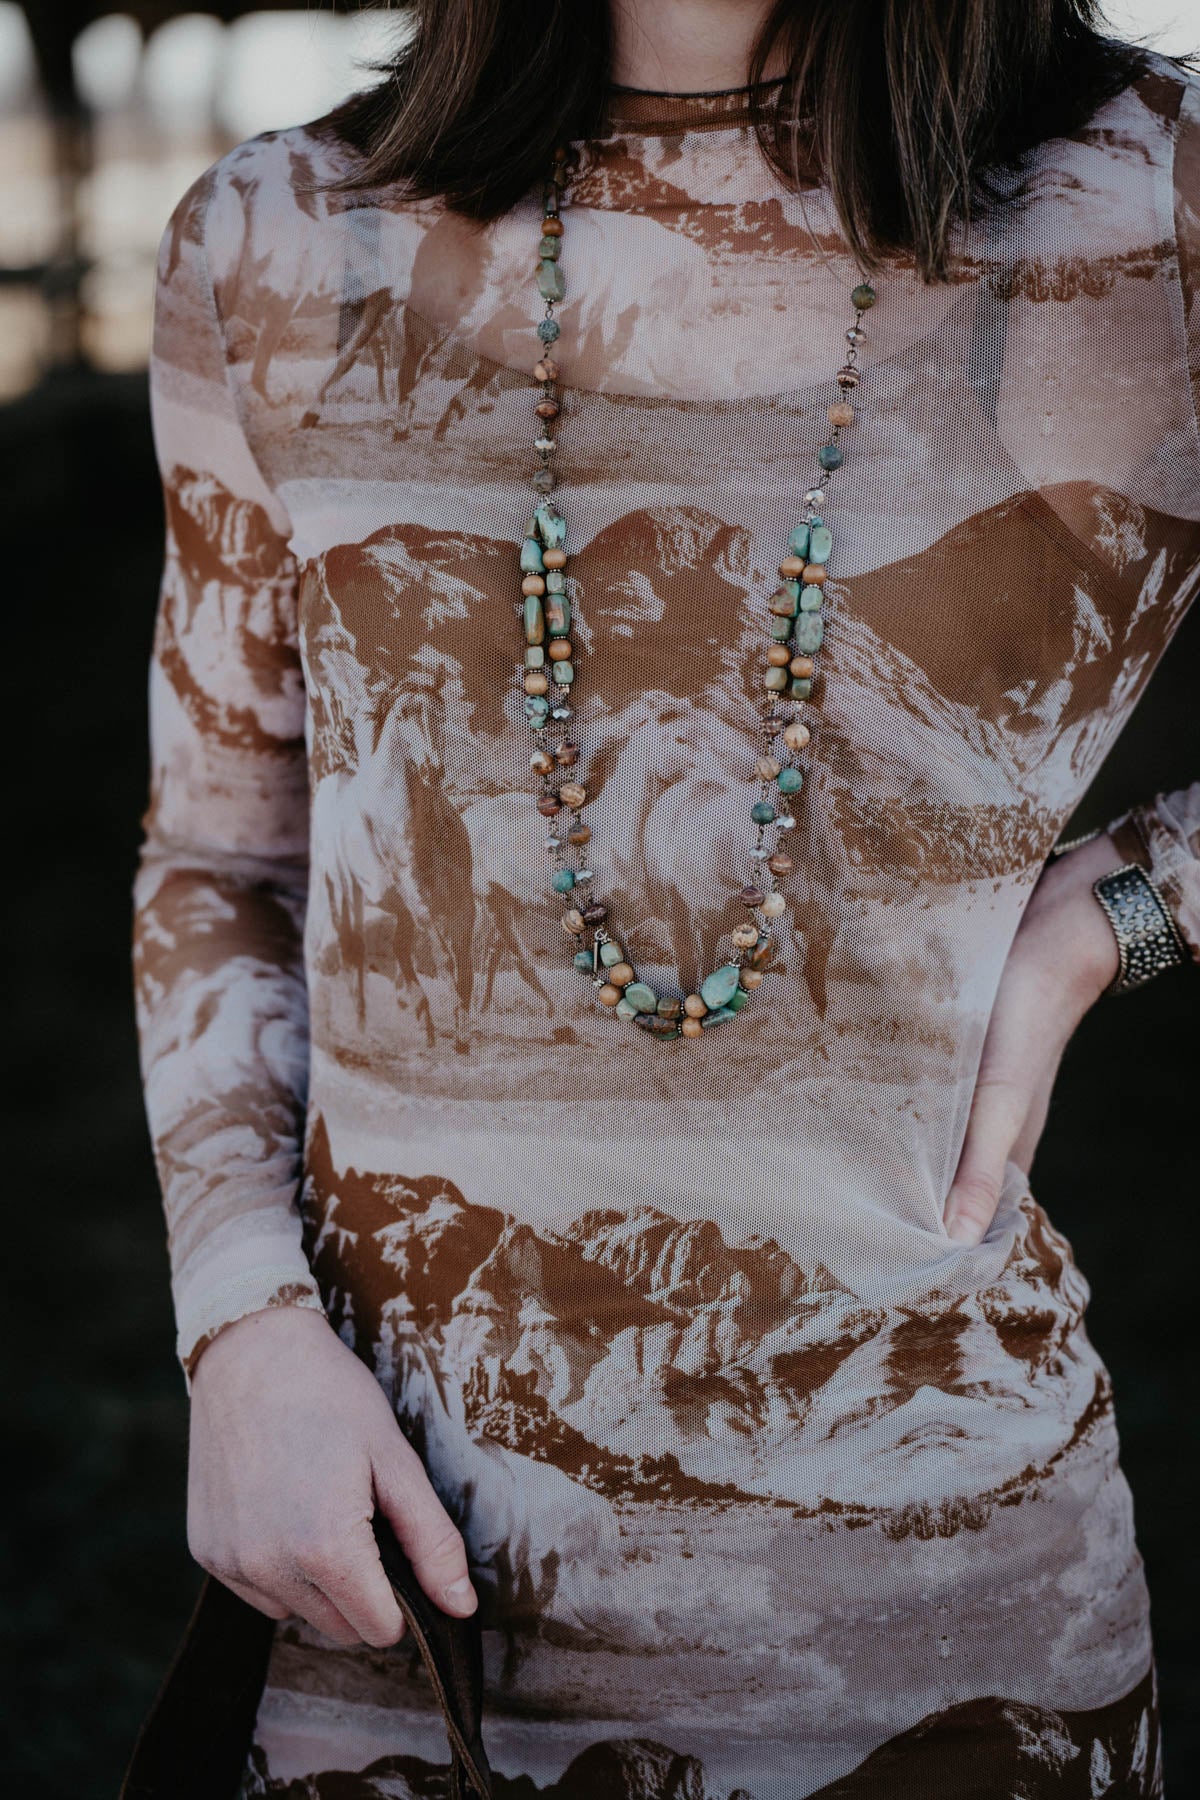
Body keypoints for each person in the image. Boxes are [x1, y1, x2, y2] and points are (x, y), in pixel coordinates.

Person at [133, 1, 1199, 1793]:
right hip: (383, 1599)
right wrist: (240, 1326)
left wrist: (1128, 907)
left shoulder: (1142, 200)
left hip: (935, 1627)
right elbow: (227, 860)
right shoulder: (282, 230)